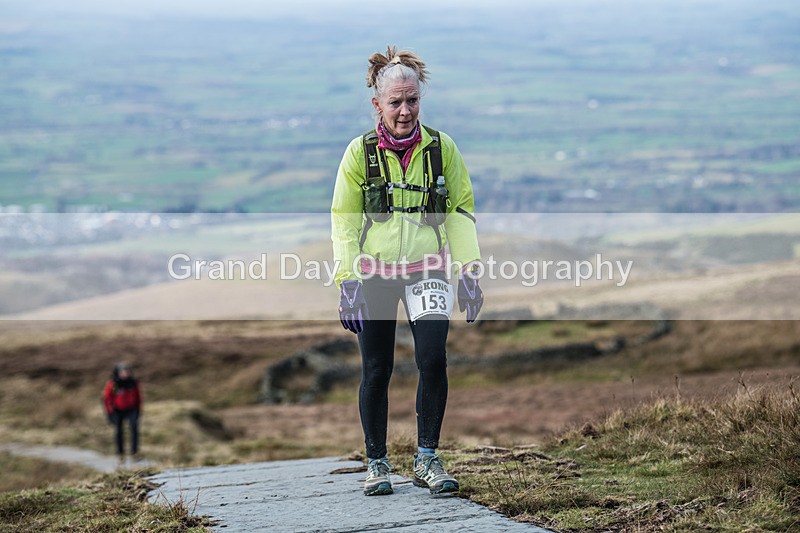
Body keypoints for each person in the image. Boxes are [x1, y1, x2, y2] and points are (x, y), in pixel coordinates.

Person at [331, 46, 484, 496]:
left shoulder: (442, 149)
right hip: (374, 273)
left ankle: (428, 459)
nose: (404, 110)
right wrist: (347, 283)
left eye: (412, 100)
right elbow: (343, 220)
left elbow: (459, 210)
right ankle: (376, 463)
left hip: (428, 270)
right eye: (395, 102)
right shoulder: (360, 153)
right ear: (376, 103)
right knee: (377, 370)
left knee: (433, 360)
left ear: (421, 99)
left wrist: (470, 272)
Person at [103, 362, 142, 463]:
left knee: (134, 428)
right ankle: (120, 453)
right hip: (118, 410)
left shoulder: (133, 383)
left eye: (127, 372)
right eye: (123, 372)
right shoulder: (113, 384)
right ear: (118, 373)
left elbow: (138, 397)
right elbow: (107, 399)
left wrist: (138, 410)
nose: (125, 374)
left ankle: (135, 452)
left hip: (131, 409)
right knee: (119, 431)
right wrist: (110, 413)